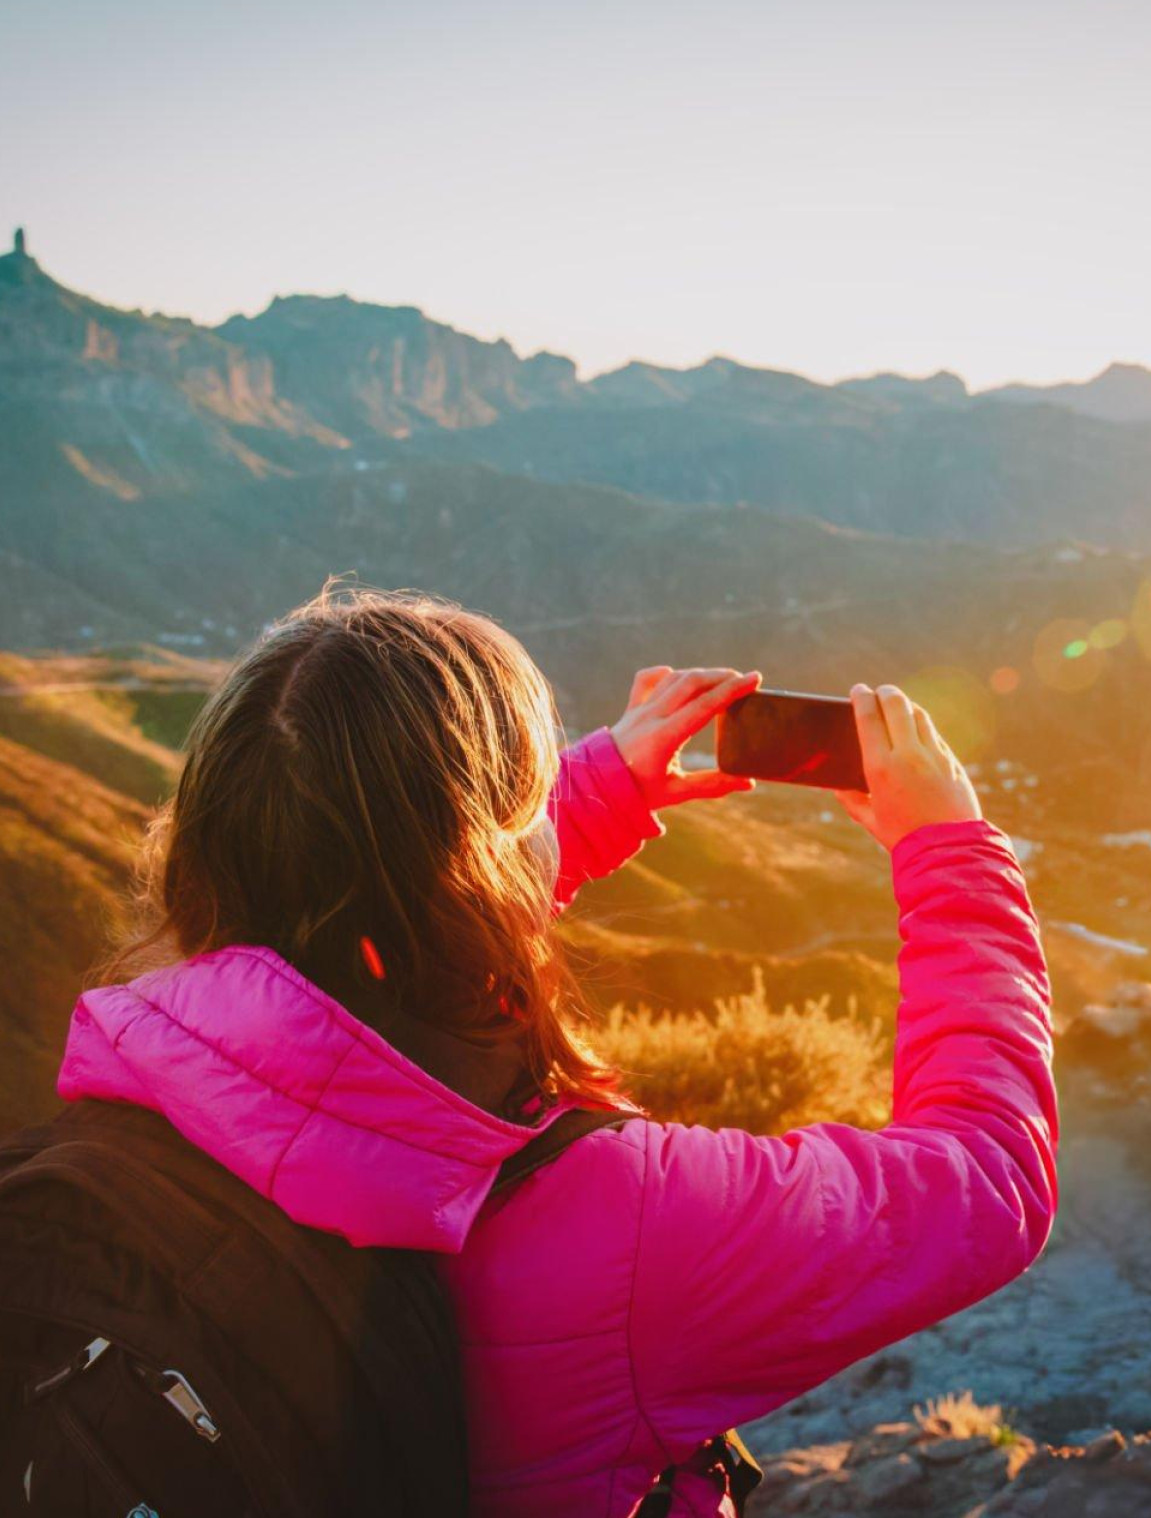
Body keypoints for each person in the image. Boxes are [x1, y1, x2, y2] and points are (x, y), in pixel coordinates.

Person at [56, 586, 1057, 1517]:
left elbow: (363, 945)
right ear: (490, 855)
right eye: (526, 811)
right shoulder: (632, 1222)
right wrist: (950, 852)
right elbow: (986, 1180)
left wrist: (590, 792)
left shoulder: (151, 1065)